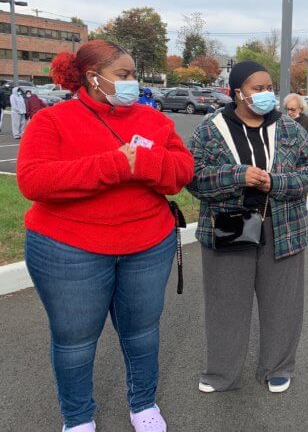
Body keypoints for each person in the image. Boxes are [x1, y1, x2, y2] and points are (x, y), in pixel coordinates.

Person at [16, 40, 194, 432]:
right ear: (93, 78)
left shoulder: (155, 121)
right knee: (75, 341)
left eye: (135, 75)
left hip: (147, 246)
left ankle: (143, 404)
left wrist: (143, 161)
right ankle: (78, 418)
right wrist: (116, 165)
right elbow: (34, 180)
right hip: (67, 250)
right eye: (124, 75)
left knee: (143, 333)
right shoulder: (52, 120)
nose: (134, 83)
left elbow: (181, 172)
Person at [187, 60, 308, 395]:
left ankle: (277, 367)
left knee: (282, 303)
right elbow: (193, 176)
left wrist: (276, 182)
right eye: (257, 89)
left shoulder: (289, 127)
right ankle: (221, 373)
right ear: (237, 93)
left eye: (269, 88)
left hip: (283, 227)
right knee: (226, 303)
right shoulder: (211, 127)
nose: (266, 95)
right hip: (230, 226)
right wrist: (236, 176)